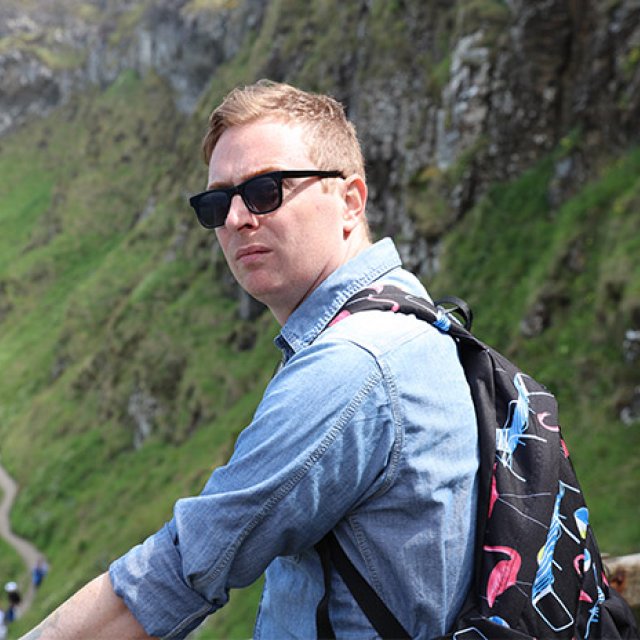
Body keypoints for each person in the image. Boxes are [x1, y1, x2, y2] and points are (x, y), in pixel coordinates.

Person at [21, 80, 479, 639]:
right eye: (217, 203)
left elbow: (182, 569)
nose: (237, 218)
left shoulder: (354, 367)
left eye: (266, 191)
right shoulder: (412, 314)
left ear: (351, 200)